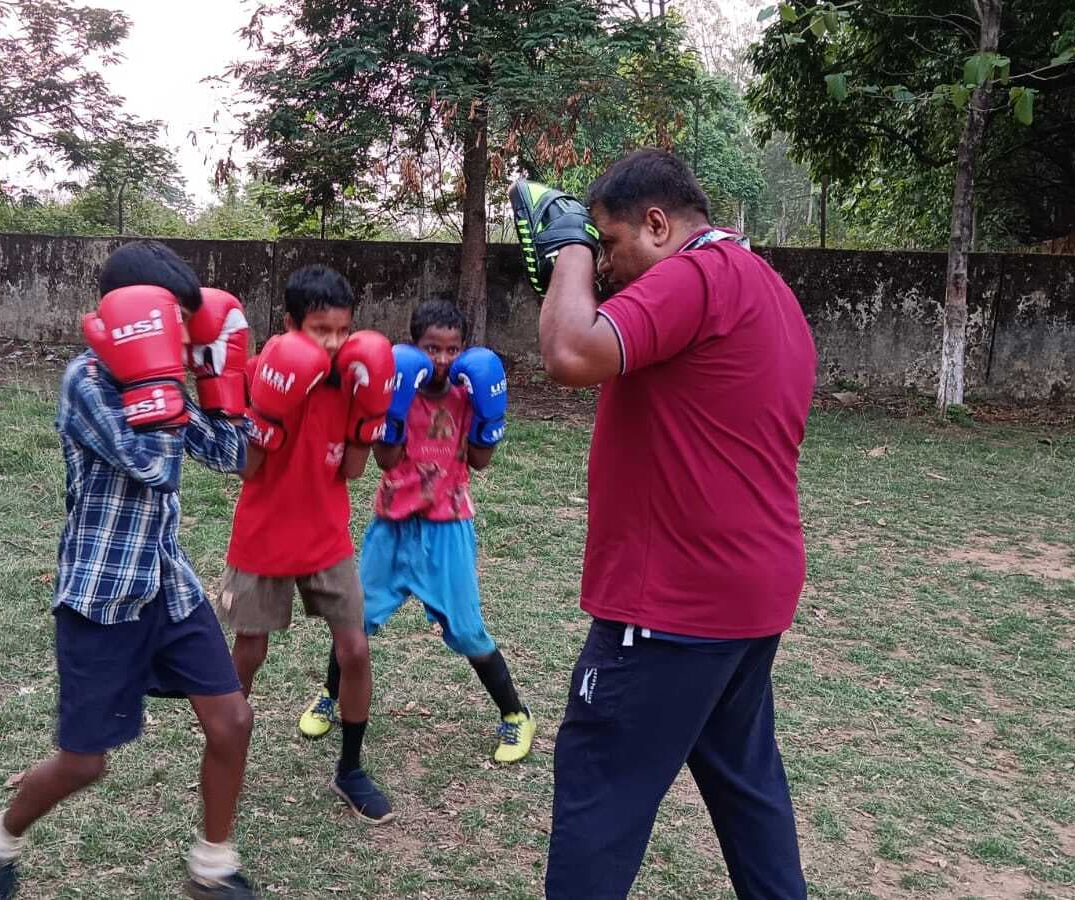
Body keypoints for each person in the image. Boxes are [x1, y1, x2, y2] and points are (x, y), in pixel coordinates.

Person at [509, 150, 816, 900]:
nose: (605, 268)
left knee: (597, 789)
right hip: (745, 602)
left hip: (672, 608)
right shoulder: (767, 287)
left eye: (611, 245)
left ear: (657, 224)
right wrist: (584, 258)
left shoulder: (695, 276)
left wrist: (568, 245)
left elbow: (570, 352)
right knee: (748, 794)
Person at [0, 241, 259, 900]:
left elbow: (234, 457)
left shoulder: (170, 379)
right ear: (134, 319)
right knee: (84, 763)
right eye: (174, 326)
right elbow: (153, 462)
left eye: (190, 328)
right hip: (100, 596)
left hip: (165, 583)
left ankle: (212, 868)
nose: (185, 340)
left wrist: (225, 385)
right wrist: (163, 385)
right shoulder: (86, 383)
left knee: (232, 721)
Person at [297, 297, 535, 765]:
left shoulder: (470, 395)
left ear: (463, 349)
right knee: (355, 622)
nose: (441, 359)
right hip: (391, 523)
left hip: (447, 526)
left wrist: (490, 422)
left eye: (451, 349)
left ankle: (515, 714)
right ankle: (330, 694)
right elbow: (384, 462)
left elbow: (481, 462)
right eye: (431, 348)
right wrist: (395, 413)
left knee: (467, 630)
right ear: (414, 346)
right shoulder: (393, 389)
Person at [221, 264, 400, 824]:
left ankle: (350, 768)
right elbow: (246, 467)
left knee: (355, 650)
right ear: (290, 324)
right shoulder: (260, 372)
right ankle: (226, 758)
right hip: (264, 535)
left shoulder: (353, 380)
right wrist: (264, 417)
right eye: (320, 331)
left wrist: (367, 422)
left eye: (343, 331)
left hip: (327, 537)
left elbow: (350, 469)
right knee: (248, 653)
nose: (334, 343)